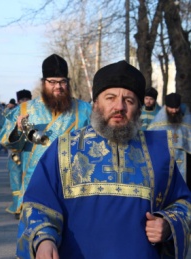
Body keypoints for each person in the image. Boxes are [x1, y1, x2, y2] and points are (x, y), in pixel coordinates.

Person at [16, 60, 191, 259]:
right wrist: (43, 240)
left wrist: (168, 224)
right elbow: (38, 204)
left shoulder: (158, 151)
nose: (119, 107)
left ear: (139, 109)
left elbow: (183, 204)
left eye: (129, 100)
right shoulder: (63, 148)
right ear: (96, 103)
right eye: (110, 98)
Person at [0, 54, 91, 216]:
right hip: (35, 187)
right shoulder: (25, 110)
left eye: (63, 81)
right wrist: (19, 129)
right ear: (43, 83)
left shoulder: (84, 110)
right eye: (53, 82)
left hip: (74, 188)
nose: (58, 87)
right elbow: (8, 143)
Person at [148, 93, 191, 188]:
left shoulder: (186, 118)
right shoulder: (158, 120)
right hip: (165, 156)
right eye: (171, 108)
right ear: (166, 106)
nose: (174, 111)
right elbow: (151, 137)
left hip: (185, 159)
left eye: (176, 108)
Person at [5, 89, 32, 219]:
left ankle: (28, 206)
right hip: (16, 153)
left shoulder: (37, 113)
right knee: (16, 178)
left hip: (31, 152)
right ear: (18, 101)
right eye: (22, 100)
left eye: (27, 99)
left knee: (29, 178)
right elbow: (5, 133)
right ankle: (17, 206)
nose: (24, 102)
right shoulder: (14, 114)